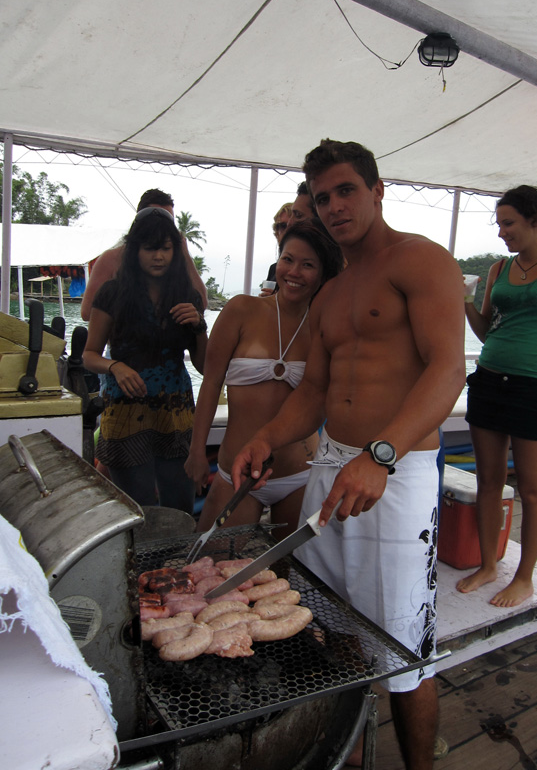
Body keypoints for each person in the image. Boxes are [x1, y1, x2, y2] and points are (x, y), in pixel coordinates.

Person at [231, 139, 466, 770]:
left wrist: (381, 455)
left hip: (396, 473)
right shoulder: (331, 293)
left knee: (404, 645)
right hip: (331, 468)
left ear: (376, 190)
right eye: (322, 197)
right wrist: (266, 437)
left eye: (346, 191)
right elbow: (314, 390)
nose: (334, 206)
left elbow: (448, 369)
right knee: (329, 623)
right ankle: (351, 750)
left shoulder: (421, 260)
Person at [456, 185, 537, 607]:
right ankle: (489, 565)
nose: (502, 232)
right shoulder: (499, 269)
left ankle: (525, 577)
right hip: (489, 382)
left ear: (534, 220)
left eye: (508, 223)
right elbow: (487, 332)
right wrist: (466, 301)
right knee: (488, 483)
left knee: (533, 490)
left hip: (536, 388)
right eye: (499, 225)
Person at [185, 220, 344, 539]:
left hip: (300, 473)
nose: (294, 272)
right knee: (211, 562)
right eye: (288, 259)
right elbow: (211, 383)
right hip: (236, 472)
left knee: (290, 569)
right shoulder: (241, 310)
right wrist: (196, 450)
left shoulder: (324, 327)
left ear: (322, 274)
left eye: (308, 265)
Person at [83, 207, 208, 514]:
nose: (158, 257)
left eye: (165, 248)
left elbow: (205, 367)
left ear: (175, 252)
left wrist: (199, 326)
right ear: (134, 250)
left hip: (176, 415)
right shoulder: (112, 294)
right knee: (139, 513)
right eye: (150, 248)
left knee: (179, 510)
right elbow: (89, 355)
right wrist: (115, 366)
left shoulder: (187, 297)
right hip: (126, 414)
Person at [80, 188, 207, 320]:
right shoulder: (112, 259)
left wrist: (184, 252)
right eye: (154, 219)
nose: (160, 225)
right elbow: (87, 312)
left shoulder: (177, 261)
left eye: (167, 220)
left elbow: (201, 304)